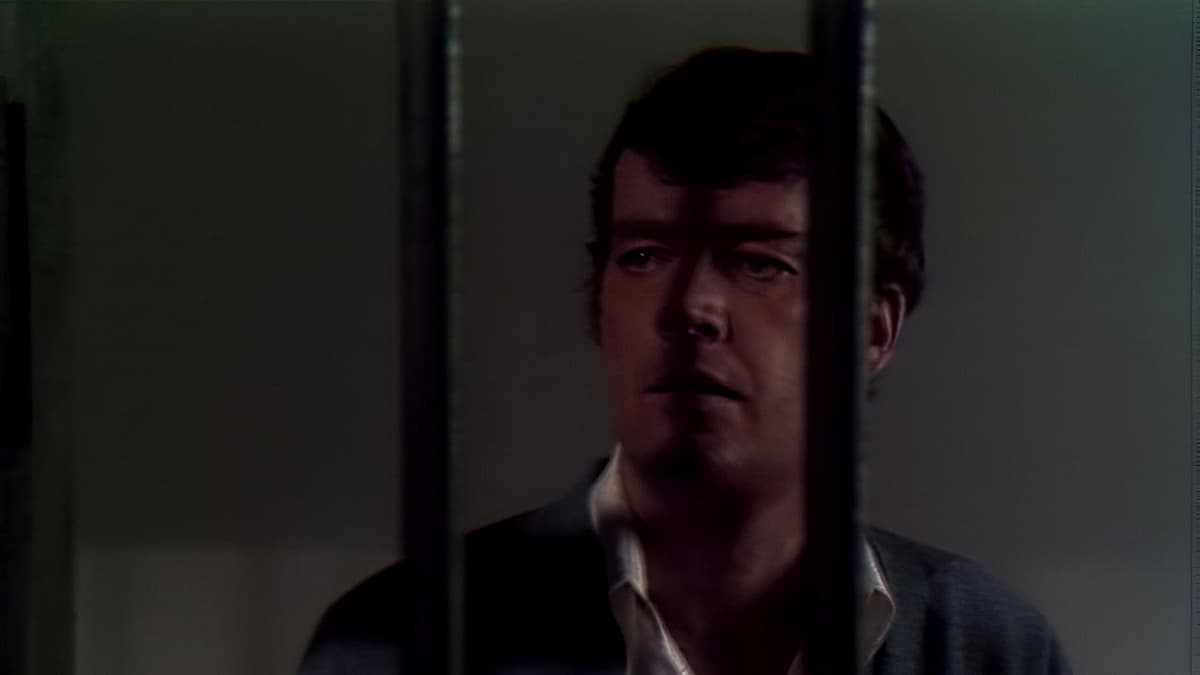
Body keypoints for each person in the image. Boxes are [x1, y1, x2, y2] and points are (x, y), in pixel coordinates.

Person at [299, 46, 1071, 675]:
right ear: (601, 302)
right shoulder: (400, 642)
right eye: (644, 255)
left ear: (872, 330)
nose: (687, 305)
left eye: (760, 262)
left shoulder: (987, 648)